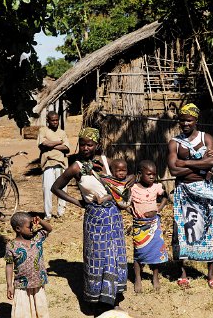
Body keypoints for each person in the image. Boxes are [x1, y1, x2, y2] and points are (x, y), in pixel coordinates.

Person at [51, 127, 128, 315]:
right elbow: (56, 187)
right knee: (96, 256)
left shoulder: (105, 162)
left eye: (90, 144)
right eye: (83, 144)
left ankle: (112, 298)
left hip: (113, 216)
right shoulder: (76, 167)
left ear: (96, 145)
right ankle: (95, 301)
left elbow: (122, 182)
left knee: (114, 255)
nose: (86, 148)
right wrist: (79, 202)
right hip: (94, 217)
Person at [167, 103, 213, 290]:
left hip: (204, 190)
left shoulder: (207, 139)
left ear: (196, 120)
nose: (185, 123)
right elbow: (174, 169)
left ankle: (211, 273)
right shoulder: (175, 142)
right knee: (183, 230)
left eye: (189, 120)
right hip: (184, 190)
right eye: (182, 120)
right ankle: (183, 273)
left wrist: (185, 162)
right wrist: (200, 163)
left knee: (208, 229)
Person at [131, 160, 168, 293]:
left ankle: (155, 276)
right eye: (149, 174)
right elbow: (125, 202)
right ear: (140, 174)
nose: (152, 177)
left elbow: (165, 197)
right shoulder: (133, 188)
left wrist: (159, 209)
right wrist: (134, 212)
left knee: (155, 251)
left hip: (154, 224)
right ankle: (138, 278)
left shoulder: (156, 187)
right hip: (140, 225)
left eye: (154, 174)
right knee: (138, 251)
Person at [5, 212, 52, 318]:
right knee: (23, 311)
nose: (32, 228)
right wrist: (9, 285)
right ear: (18, 229)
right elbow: (9, 265)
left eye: (32, 225)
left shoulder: (37, 238)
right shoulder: (11, 246)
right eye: (29, 226)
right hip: (22, 284)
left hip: (38, 281)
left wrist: (40, 221)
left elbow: (49, 229)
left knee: (40, 308)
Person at [38, 111, 71, 220]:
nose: (55, 122)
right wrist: (59, 142)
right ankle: (48, 215)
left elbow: (66, 148)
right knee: (47, 189)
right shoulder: (43, 131)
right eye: (53, 120)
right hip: (47, 163)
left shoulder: (62, 132)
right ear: (48, 120)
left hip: (61, 164)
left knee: (61, 189)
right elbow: (43, 144)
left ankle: (61, 212)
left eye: (57, 120)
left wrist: (51, 144)